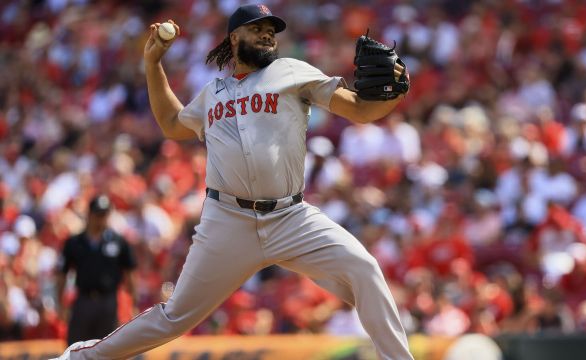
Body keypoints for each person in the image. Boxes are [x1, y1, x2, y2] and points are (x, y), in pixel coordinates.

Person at [56, 4, 413, 359]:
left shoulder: (292, 71)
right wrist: (153, 65)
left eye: (271, 30)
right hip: (228, 220)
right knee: (175, 317)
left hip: (290, 217)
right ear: (234, 37)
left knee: (364, 268)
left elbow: (361, 109)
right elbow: (171, 124)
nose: (267, 34)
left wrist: (394, 94)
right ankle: (80, 358)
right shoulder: (214, 92)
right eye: (257, 28)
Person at [56, 194, 137, 346]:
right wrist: (61, 304)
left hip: (108, 301)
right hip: (83, 300)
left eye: (105, 214)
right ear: (90, 214)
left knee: (107, 348)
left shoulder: (118, 242)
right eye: (98, 214)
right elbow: (62, 274)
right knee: (76, 347)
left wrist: (132, 303)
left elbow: (129, 274)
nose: (101, 218)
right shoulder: (74, 242)